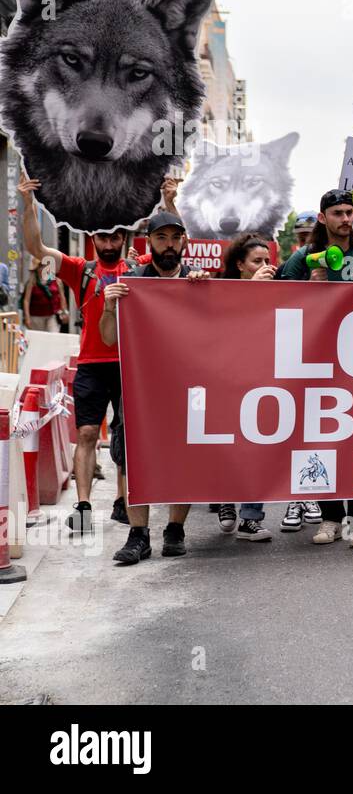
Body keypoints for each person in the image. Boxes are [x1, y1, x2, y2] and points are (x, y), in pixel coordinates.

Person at [279, 190, 353, 549]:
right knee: (323, 435)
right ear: (323, 217)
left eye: (350, 212)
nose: (346, 219)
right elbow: (279, 303)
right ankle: (331, 517)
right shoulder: (302, 257)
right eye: (338, 213)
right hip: (317, 361)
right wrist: (307, 289)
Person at [18, 177, 132, 531]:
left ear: (124, 239)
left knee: (128, 438)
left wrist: (169, 203)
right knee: (85, 434)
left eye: (115, 237)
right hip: (91, 367)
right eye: (102, 236)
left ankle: (123, 501)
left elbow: (174, 252)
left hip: (131, 367)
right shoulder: (79, 269)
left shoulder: (138, 267)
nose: (109, 243)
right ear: (92, 239)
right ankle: (83, 507)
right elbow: (36, 248)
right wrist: (27, 201)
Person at [99, 212, 212, 564]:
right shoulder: (132, 284)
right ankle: (138, 536)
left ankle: (175, 529)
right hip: (141, 390)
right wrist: (109, 307)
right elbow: (108, 340)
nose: (168, 244)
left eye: (174, 238)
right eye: (161, 238)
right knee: (135, 459)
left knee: (188, 457)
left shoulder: (200, 282)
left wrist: (208, 294)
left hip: (189, 388)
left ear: (184, 242)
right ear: (149, 243)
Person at [211, 234, 294, 541]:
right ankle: (224, 500)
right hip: (227, 380)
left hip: (262, 382)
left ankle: (251, 518)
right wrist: (252, 290)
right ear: (239, 265)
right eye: (257, 261)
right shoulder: (222, 291)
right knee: (226, 447)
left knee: (258, 447)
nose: (265, 266)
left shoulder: (277, 292)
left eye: (268, 261)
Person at [22, 256, 68, 333]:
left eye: (45, 265)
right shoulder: (31, 282)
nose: (43, 268)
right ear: (36, 268)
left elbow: (62, 297)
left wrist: (65, 312)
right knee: (39, 340)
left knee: (53, 337)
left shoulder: (56, 280)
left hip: (52, 315)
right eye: (40, 266)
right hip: (35, 317)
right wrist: (27, 317)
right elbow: (26, 301)